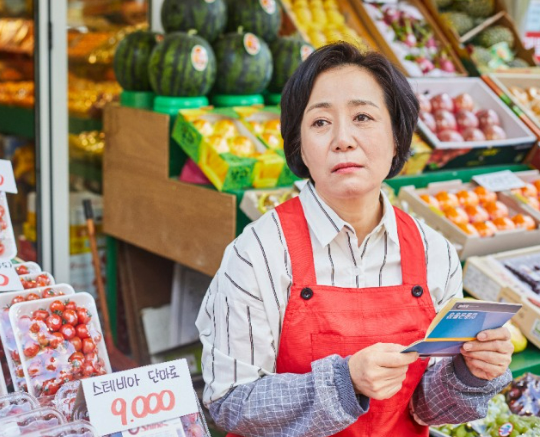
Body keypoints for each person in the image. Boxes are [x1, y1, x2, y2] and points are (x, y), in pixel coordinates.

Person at [196, 42, 513, 437]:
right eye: (320, 123)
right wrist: (345, 381)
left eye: (362, 116)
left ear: (398, 137)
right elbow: (230, 404)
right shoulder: (257, 253)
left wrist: (469, 370)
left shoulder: (435, 253)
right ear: (299, 148)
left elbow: (423, 406)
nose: (342, 139)